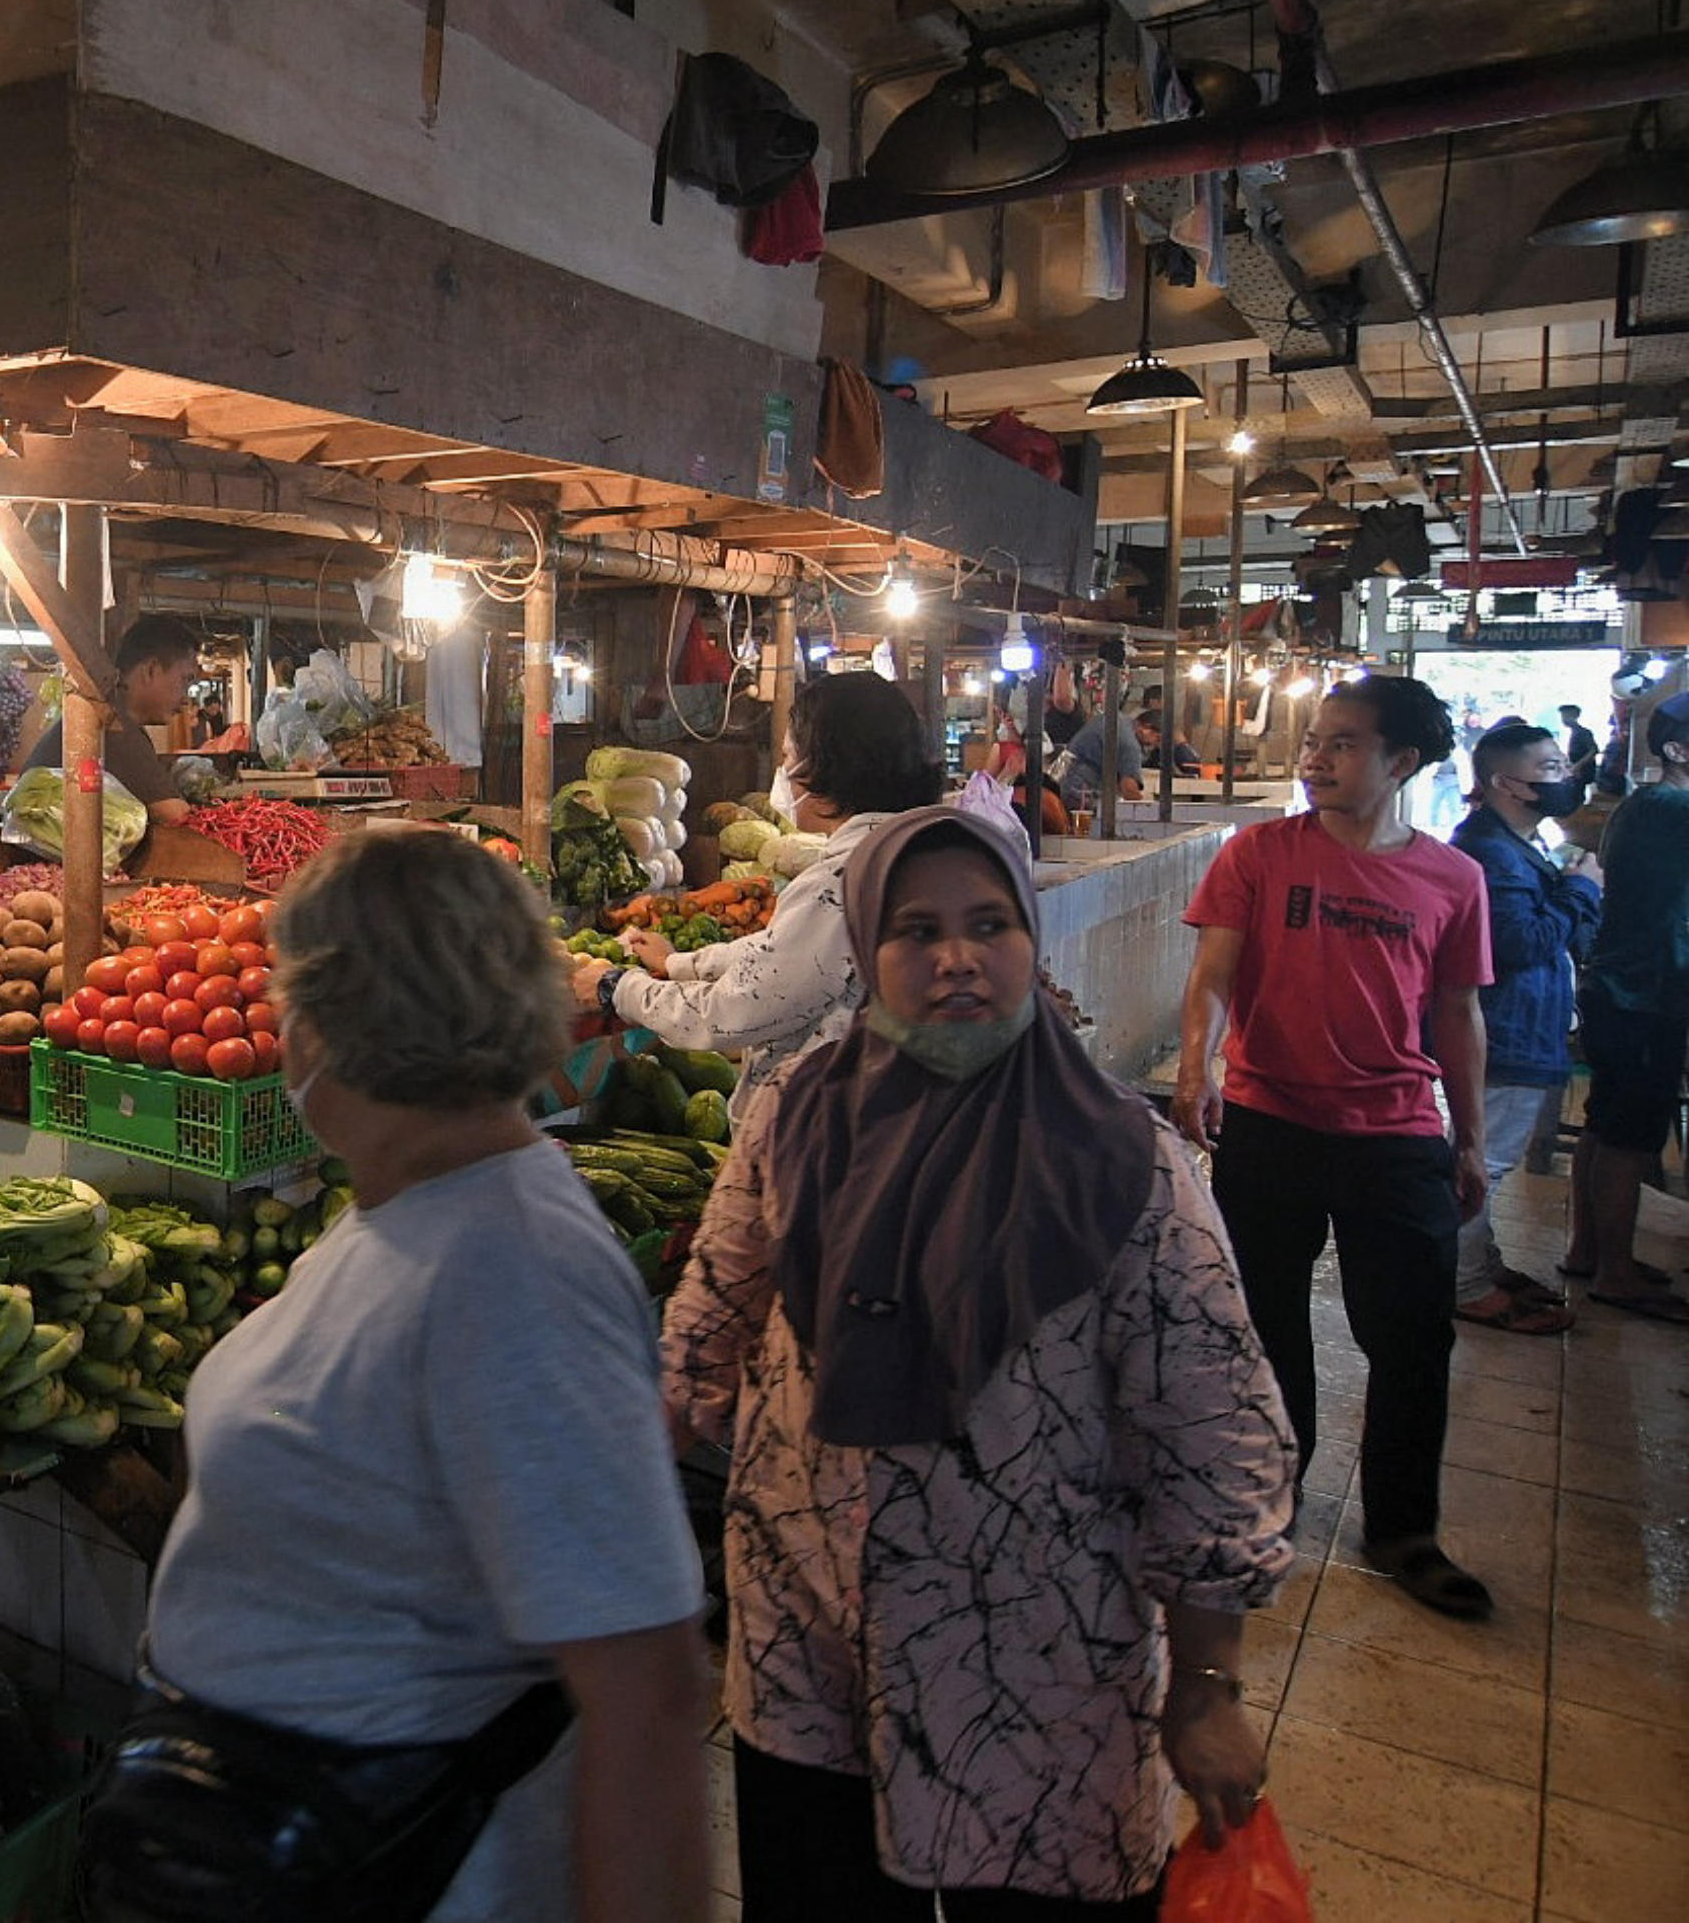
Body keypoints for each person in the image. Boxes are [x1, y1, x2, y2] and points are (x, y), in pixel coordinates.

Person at [668, 805, 1291, 1921]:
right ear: (865, 952)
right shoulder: (796, 1121)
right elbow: (705, 1326)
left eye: (989, 924)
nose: (956, 956)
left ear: (1028, 940)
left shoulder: (1122, 1161)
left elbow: (1212, 1425)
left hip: (1038, 1672)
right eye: (916, 930)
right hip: (807, 1645)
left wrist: (1207, 1688)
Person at [119, 827, 710, 1921]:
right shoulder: (410, 1207)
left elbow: (651, 1696)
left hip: (404, 1869)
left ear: (334, 1020)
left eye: (289, 987)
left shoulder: (516, 1271)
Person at [1176, 675, 1498, 1620]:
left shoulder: (1453, 879)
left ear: (1402, 762)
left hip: (1396, 1131)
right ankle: (1270, 1501)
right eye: (1314, 740)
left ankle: (1404, 1530)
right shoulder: (1258, 854)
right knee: (1265, 1327)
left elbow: (1458, 1014)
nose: (1315, 758)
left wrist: (1470, 1141)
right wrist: (1196, 1068)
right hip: (1269, 1124)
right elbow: (1212, 975)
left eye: (1343, 743)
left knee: (1412, 1336)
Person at [568, 670, 943, 1117]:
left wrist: (617, 987)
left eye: (788, 757)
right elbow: (785, 953)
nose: (783, 774)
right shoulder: (918, 856)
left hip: (829, 1130)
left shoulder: (844, 881)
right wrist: (681, 963)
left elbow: (731, 1014)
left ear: (826, 767)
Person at [1448, 721, 1597, 1333]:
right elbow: (1519, 942)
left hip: (1518, 1023)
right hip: (1505, 1026)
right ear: (1507, 784)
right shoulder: (1490, 851)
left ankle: (1480, 1264)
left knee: (1482, 1156)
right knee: (1483, 1162)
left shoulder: (1514, 843)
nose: (1567, 778)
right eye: (1552, 769)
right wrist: (1581, 891)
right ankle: (1464, 1284)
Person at [1562, 692, 1689, 1321]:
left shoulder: (1644, 805)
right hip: (1648, 990)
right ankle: (1614, 1271)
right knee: (1629, 1136)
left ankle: (1590, 1251)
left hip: (1620, 985)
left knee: (1605, 1124)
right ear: (1677, 749)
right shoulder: (1674, 810)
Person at [20, 614, 202, 824]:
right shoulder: (115, 727)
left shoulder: (114, 717)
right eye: (185, 680)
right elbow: (177, 816)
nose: (186, 698)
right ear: (151, 670)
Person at [1061, 704, 1148, 805]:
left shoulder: (1118, 720)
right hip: (1081, 790)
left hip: (1064, 780)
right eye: (1157, 738)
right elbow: (1129, 790)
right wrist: (1148, 809)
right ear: (1144, 728)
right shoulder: (1130, 744)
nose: (1156, 745)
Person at [1560, 702, 1600, 793]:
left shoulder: (1583, 732)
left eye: (1566, 716)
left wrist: (1577, 766)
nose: (1563, 719)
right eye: (1562, 716)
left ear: (1575, 716)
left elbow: (1593, 750)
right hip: (1576, 771)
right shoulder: (1574, 732)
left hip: (1582, 772)